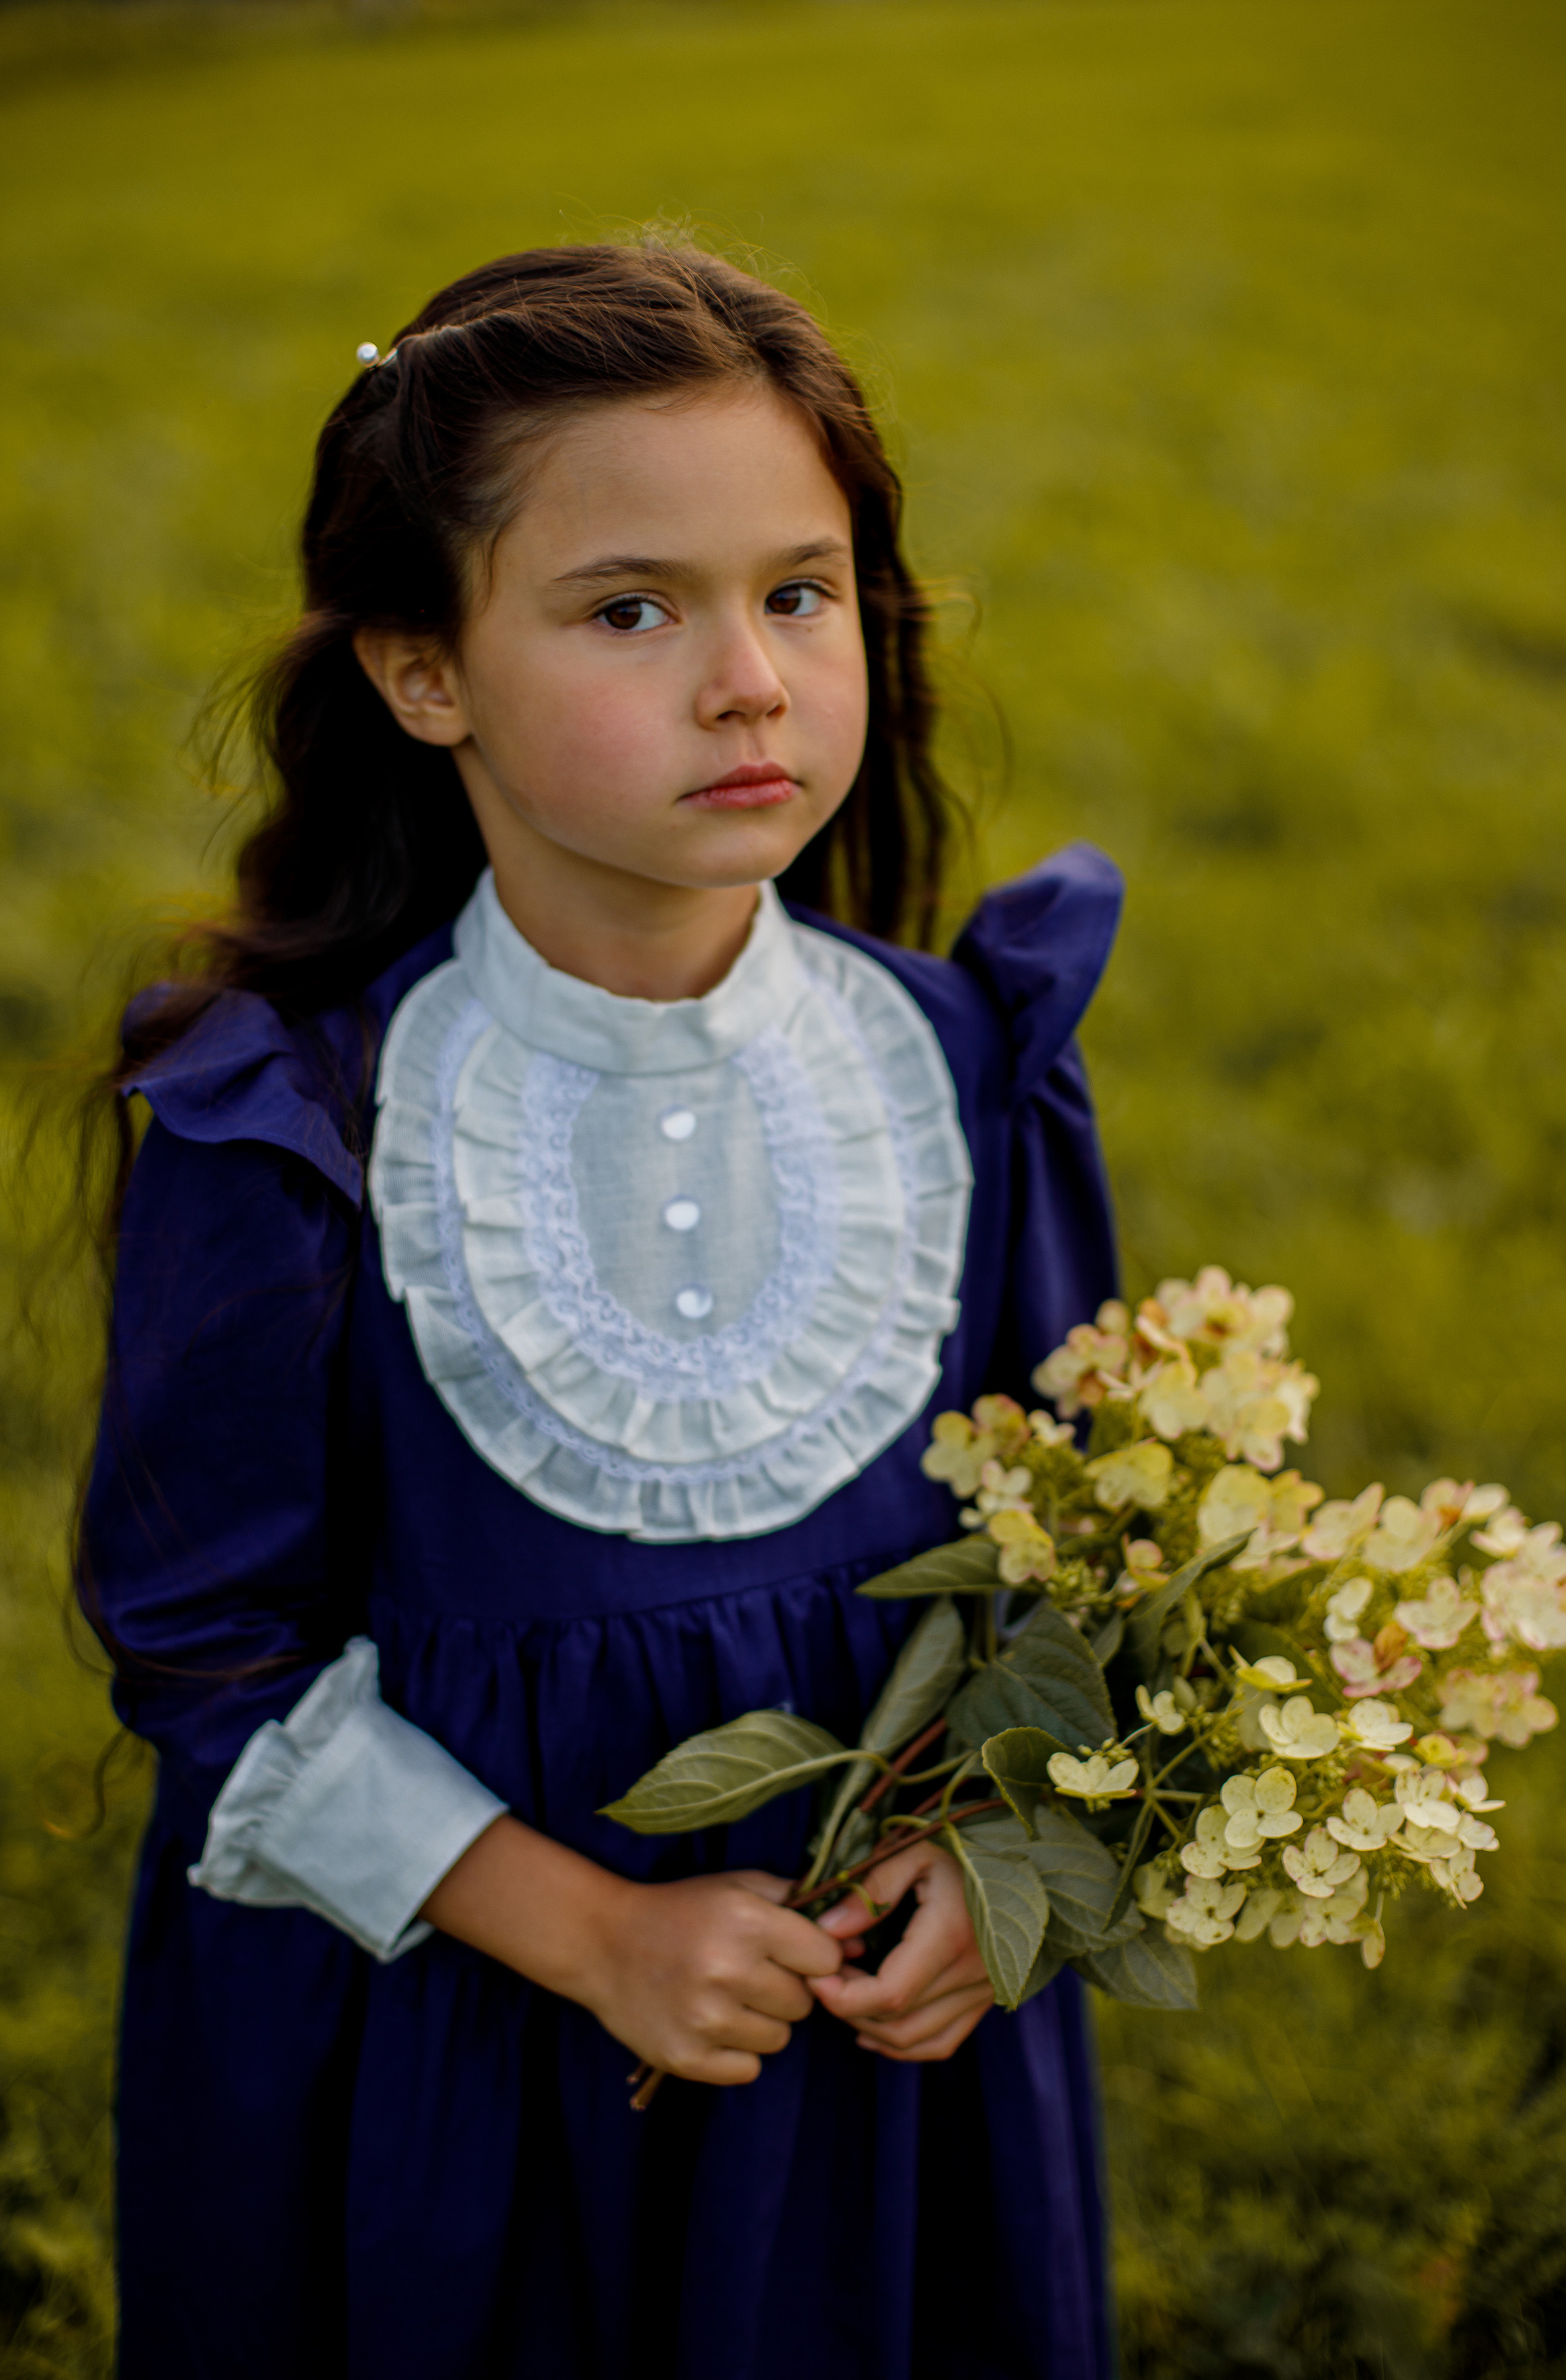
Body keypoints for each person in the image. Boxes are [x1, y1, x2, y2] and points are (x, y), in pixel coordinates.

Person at [81, 240, 1123, 2380]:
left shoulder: (962, 1061)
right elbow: (204, 1651)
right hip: (448, 2044)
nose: (747, 679)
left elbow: (1072, 1533)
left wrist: (1001, 1849)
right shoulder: (296, 1128)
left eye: (801, 591)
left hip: (872, 2038)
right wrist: (594, 1932)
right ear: (421, 670)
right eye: (631, 608)